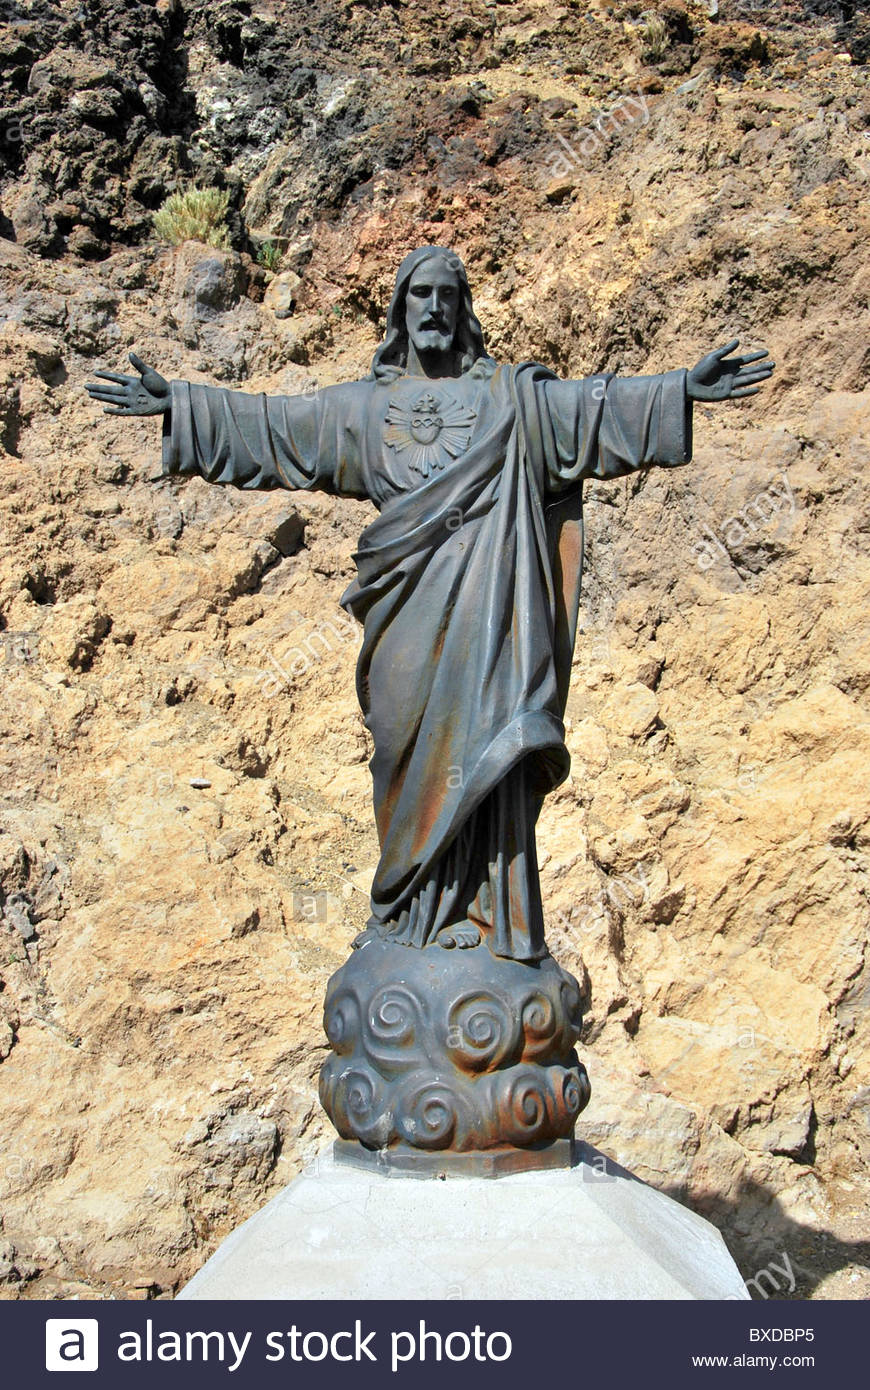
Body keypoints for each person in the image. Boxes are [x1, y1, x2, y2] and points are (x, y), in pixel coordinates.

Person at [86, 245, 774, 964]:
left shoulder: (510, 398)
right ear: (400, 308)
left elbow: (590, 413)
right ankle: (406, 910)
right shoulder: (365, 407)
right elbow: (275, 427)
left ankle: (482, 924)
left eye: (447, 295)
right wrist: (185, 405)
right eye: (420, 295)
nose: (434, 308)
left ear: (464, 308)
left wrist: (678, 392)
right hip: (405, 619)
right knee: (404, 751)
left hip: (489, 619)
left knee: (484, 753)